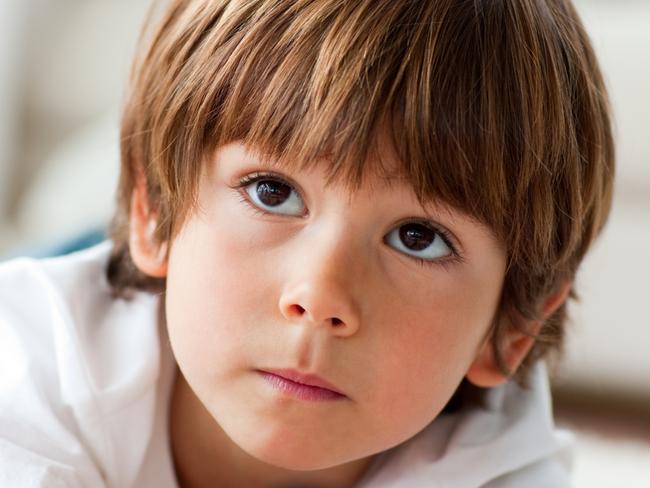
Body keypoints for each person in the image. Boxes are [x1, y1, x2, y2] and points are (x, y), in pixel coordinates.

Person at [0, 0, 614, 486]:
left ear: (513, 326)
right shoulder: (34, 370)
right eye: (272, 190)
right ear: (153, 212)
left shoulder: (500, 468)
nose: (320, 296)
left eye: (417, 237)